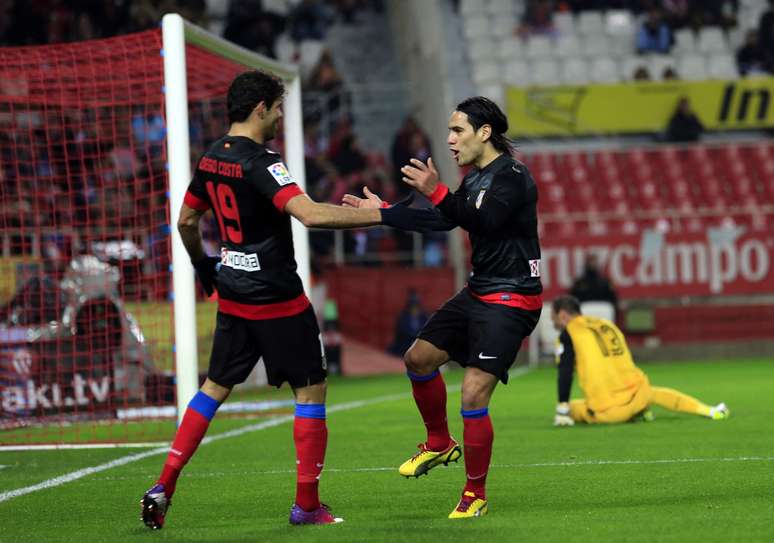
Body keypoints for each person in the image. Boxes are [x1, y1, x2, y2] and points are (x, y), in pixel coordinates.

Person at [140, 69, 387, 530]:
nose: (278, 117)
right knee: (310, 389)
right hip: (278, 298)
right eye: (276, 108)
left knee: (214, 387)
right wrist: (382, 216)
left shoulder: (212, 158)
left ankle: (164, 485)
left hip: (233, 294)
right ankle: (307, 506)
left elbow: (187, 221)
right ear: (260, 109)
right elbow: (310, 215)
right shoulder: (262, 161)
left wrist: (203, 265)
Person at [343, 96, 543, 519]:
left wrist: (434, 190)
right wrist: (383, 214)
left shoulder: (512, 177)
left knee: (472, 390)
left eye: (458, 131)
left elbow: (482, 221)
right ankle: (439, 442)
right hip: (479, 291)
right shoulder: (476, 179)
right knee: (418, 358)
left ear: (484, 133)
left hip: (512, 297)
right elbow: (443, 218)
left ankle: (475, 493)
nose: (450, 140)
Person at [550, 295, 729, 426]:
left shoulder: (568, 335)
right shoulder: (605, 324)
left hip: (610, 410)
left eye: (554, 318)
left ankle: (626, 414)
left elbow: (565, 372)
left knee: (573, 407)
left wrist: (562, 409)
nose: (553, 323)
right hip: (638, 394)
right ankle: (710, 410)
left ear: (564, 315)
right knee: (654, 393)